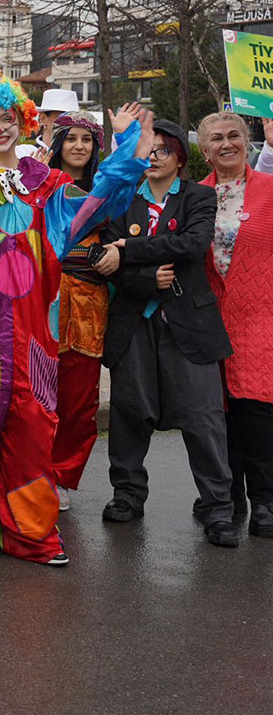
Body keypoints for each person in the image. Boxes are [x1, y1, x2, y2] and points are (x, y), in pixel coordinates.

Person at [0, 82, 151, 565]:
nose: (0, 129)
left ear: (25, 123)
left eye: (8, 120)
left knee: (34, 427)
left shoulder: (47, 186)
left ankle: (30, 531)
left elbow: (101, 201)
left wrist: (128, 147)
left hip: (35, 334)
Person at [92, 120, 238, 548]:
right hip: (134, 320)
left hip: (189, 324)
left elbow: (192, 245)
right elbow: (107, 262)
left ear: (179, 156)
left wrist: (130, 252)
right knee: (129, 413)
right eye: (148, 152)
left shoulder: (199, 196)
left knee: (203, 418)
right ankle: (127, 495)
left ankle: (218, 510)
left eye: (162, 151)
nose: (153, 159)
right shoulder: (120, 201)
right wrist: (144, 275)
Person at [196, 112, 273, 538]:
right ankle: (229, 496)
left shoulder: (269, 189)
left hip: (262, 313)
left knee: (257, 409)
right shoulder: (194, 195)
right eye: (215, 139)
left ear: (247, 141)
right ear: (204, 150)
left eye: (233, 136)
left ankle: (265, 501)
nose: (226, 144)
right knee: (217, 411)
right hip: (212, 317)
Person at [46, 113, 110, 512]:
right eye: (71, 139)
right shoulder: (40, 187)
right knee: (36, 395)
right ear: (59, 145)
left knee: (79, 402)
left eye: (87, 140)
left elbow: (122, 236)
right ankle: (27, 471)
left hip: (89, 309)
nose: (79, 146)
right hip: (44, 302)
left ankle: (62, 476)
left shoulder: (109, 192)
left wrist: (116, 252)